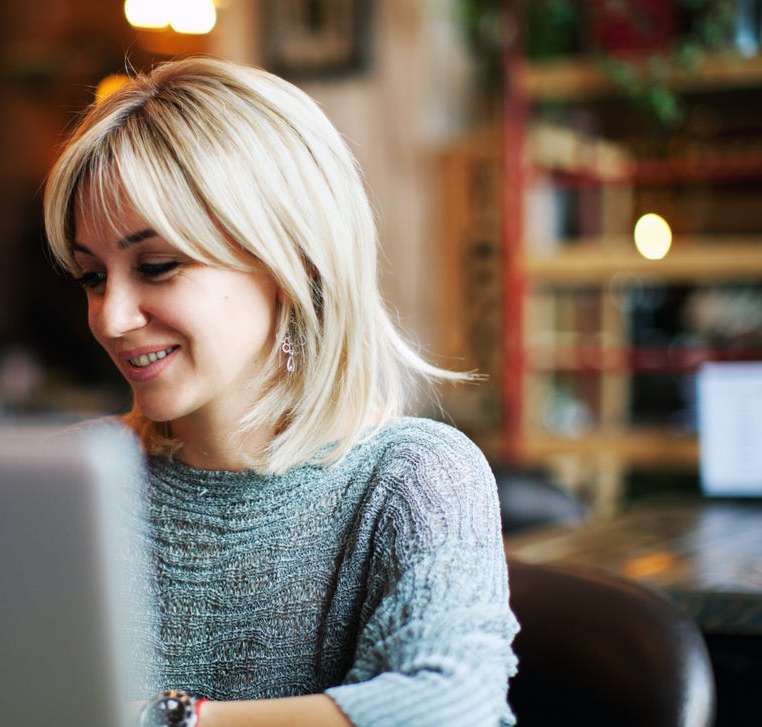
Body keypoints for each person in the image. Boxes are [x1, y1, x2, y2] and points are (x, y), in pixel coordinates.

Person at [43, 57, 518, 726]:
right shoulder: (74, 478)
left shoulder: (414, 475)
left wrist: (170, 718)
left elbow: (448, 705)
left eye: (157, 266)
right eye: (93, 277)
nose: (111, 317)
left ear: (291, 261)